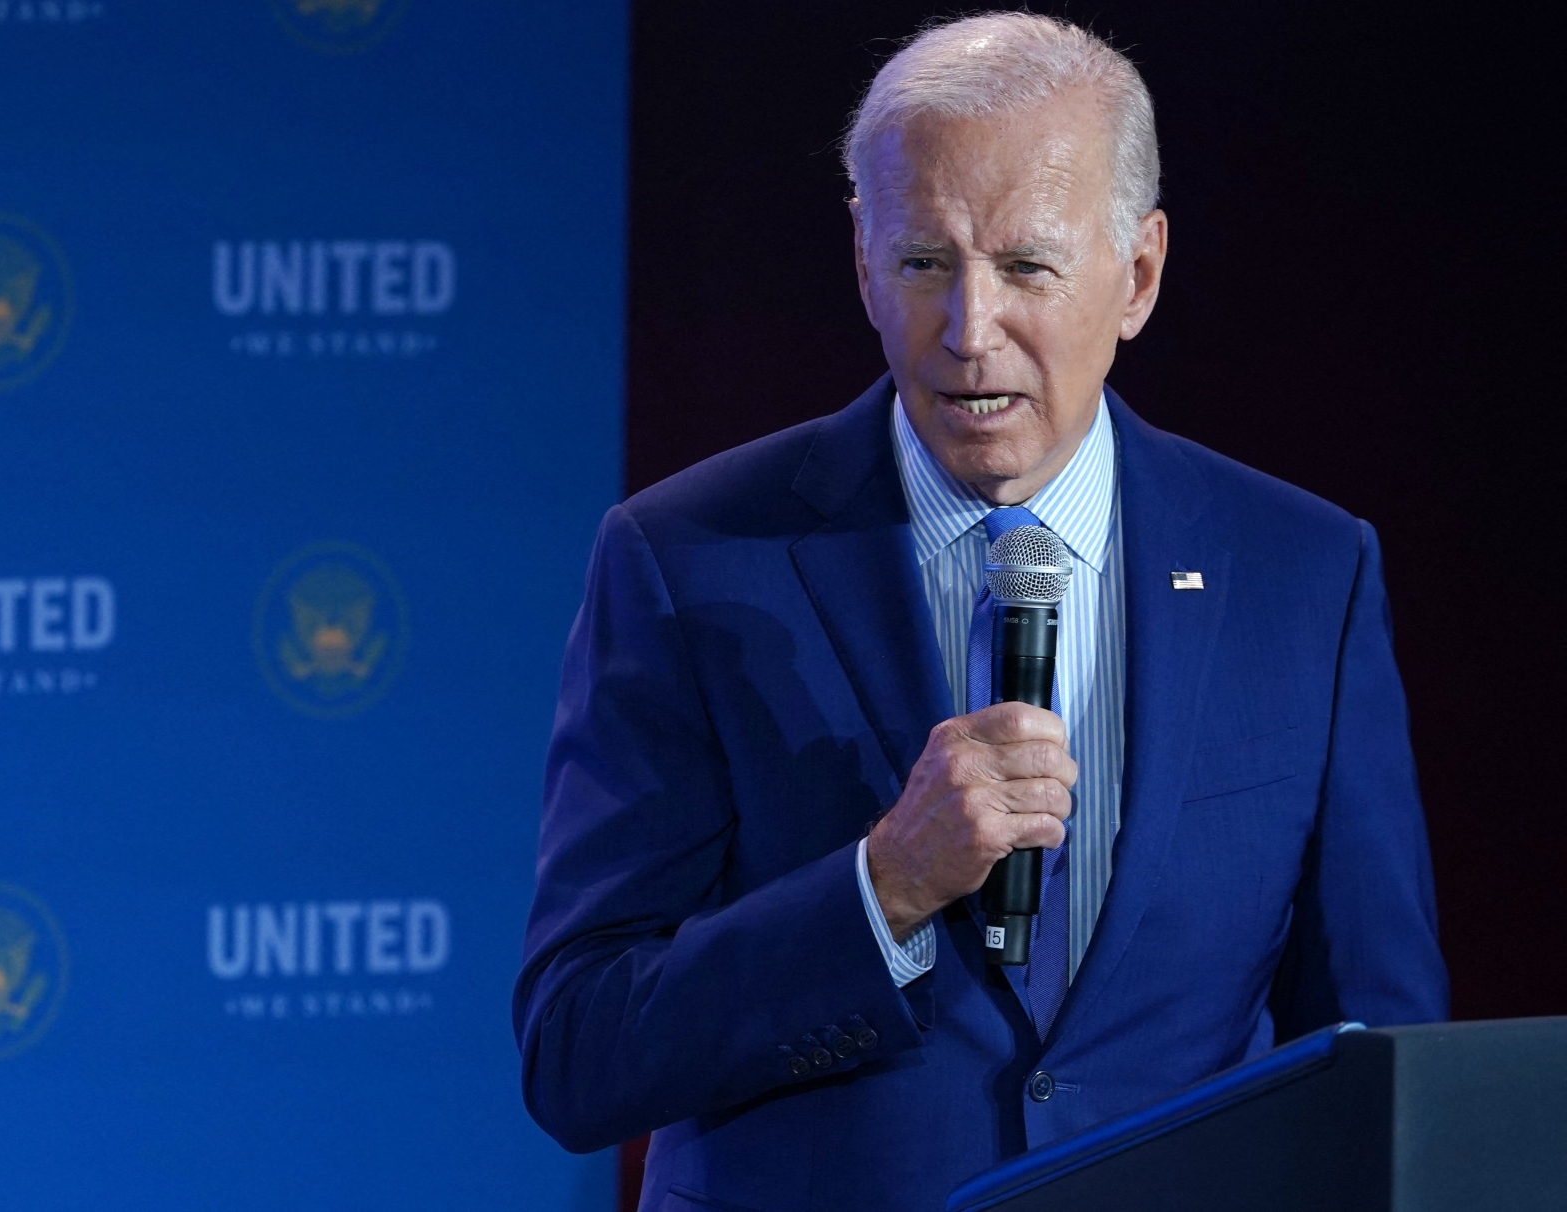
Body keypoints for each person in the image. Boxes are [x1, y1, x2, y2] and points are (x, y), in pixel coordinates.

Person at [513, 13, 1448, 1211]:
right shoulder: (687, 558)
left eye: (1025, 269)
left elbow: (1382, 1064)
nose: (968, 332)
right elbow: (576, 1050)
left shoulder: (1302, 571)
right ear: (861, 258)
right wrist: (882, 886)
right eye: (922, 264)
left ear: (1139, 275)